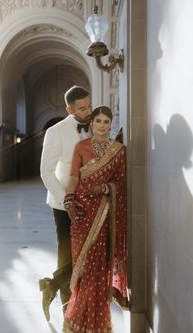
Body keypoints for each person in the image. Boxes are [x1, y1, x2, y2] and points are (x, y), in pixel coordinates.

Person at [63, 106, 129, 333]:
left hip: (104, 213)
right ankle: (77, 318)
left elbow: (121, 185)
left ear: (111, 124)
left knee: (98, 269)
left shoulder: (119, 151)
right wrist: (69, 202)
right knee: (82, 270)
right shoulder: (80, 147)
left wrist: (104, 187)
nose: (102, 125)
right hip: (82, 212)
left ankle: (97, 323)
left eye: (106, 122)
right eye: (98, 121)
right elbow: (73, 178)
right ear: (92, 123)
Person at [40, 85, 92, 322]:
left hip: (90, 200)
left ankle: (51, 284)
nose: (88, 111)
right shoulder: (55, 132)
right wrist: (67, 200)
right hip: (64, 204)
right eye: (82, 108)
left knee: (87, 253)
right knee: (67, 255)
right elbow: (46, 171)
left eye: (89, 105)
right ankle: (67, 310)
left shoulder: (95, 123)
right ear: (69, 109)